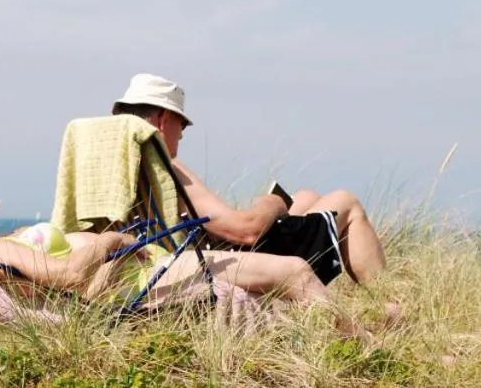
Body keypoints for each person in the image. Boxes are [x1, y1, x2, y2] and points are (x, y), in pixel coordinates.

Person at [0, 170, 334, 307]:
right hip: (144, 278)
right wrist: (110, 242)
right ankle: (362, 344)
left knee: (279, 292)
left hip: (145, 275)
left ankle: (354, 327)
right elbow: (74, 275)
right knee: (294, 271)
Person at [111, 73, 387, 286]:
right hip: (225, 266)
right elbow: (246, 231)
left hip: (174, 259)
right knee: (345, 202)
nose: (182, 134)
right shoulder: (167, 169)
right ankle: (386, 304)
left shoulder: (115, 170)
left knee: (307, 198)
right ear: (163, 119)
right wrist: (273, 202)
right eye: (181, 124)